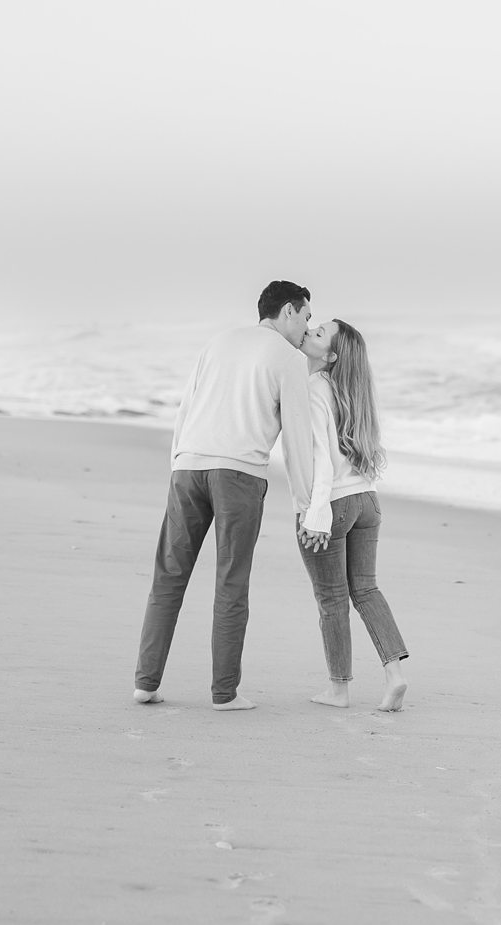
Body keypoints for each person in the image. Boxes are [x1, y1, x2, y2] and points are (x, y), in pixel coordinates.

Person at [133, 280, 316, 710]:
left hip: (189, 467)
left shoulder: (218, 342)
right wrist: (305, 505)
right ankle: (224, 693)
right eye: (306, 317)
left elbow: (186, 408)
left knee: (168, 577)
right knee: (231, 583)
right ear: (287, 311)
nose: (308, 328)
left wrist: (178, 464)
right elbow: (297, 441)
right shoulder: (288, 358)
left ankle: (145, 682)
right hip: (239, 475)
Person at [294, 318, 409, 711]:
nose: (310, 331)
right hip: (367, 502)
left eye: (319, 333)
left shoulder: (314, 389)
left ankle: (338, 690)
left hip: (335, 505)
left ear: (331, 356)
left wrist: (315, 513)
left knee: (331, 599)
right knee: (366, 589)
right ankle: (394, 674)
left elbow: (320, 460)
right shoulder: (354, 392)